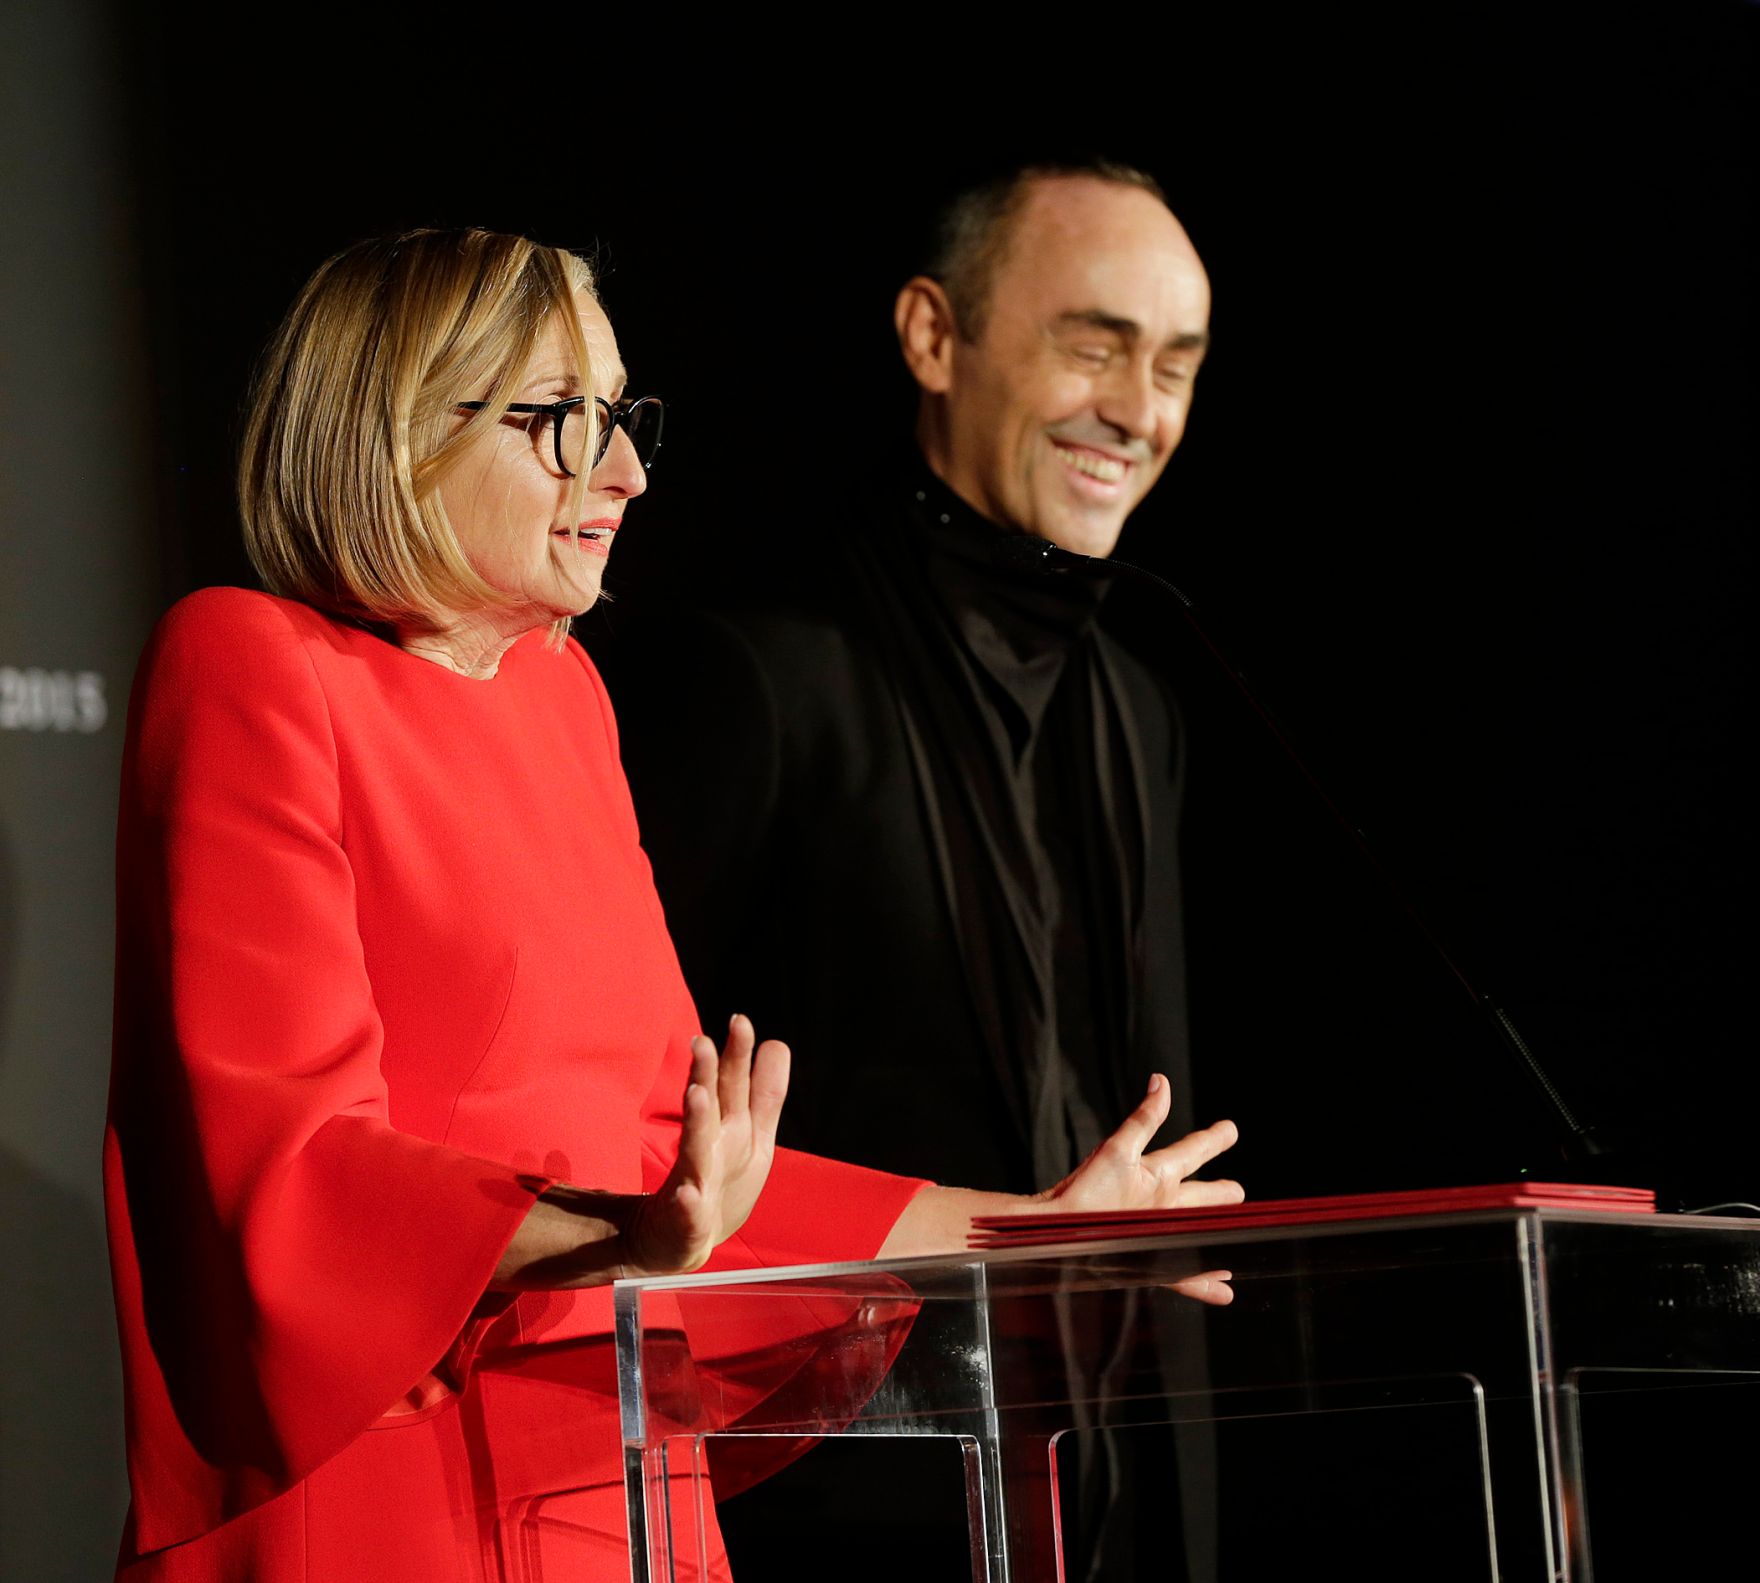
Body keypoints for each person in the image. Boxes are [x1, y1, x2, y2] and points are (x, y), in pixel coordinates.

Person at [103, 226, 1241, 1583]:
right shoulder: (250, 665)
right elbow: (287, 1168)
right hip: (382, 1491)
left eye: (625, 418)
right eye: (563, 422)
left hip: (614, 1484)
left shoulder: (565, 700)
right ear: (400, 428)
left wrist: (1030, 1230)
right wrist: (622, 1234)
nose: (628, 473)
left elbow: (671, 1154)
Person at [601, 161, 1216, 1581]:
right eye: (1094, 342)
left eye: (1175, 362)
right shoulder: (763, 671)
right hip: (834, 1500)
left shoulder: (1140, 708)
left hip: (1104, 1498)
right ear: (935, 339)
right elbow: (635, 1119)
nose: (1140, 408)